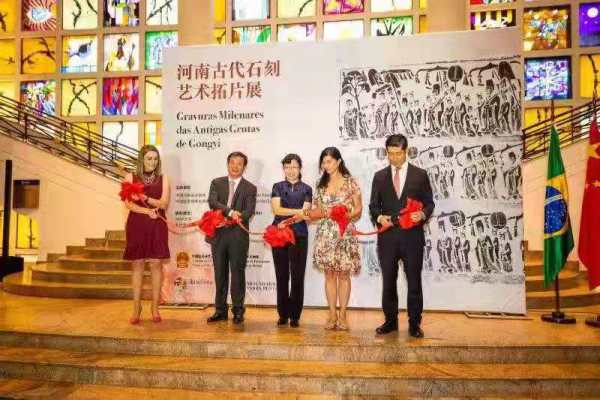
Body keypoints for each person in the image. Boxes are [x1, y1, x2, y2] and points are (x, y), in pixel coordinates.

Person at [369, 134, 434, 338]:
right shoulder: (379, 176)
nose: (394, 158)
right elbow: (373, 206)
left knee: (414, 282)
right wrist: (379, 218)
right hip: (388, 238)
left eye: (398, 153)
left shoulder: (420, 175)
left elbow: (429, 203)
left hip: (412, 238)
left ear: (406, 151)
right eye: (390, 154)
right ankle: (390, 321)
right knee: (388, 281)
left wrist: (422, 214)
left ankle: (414, 324)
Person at [311, 147, 362, 331]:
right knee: (330, 275)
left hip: (344, 233)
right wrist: (311, 213)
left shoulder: (351, 182)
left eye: (329, 161)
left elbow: (358, 208)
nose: (326, 165)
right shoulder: (320, 184)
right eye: (323, 162)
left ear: (339, 161)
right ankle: (332, 314)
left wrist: (347, 215)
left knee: (344, 275)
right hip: (325, 234)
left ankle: (343, 315)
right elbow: (316, 210)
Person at [206, 152, 257, 325]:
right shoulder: (216, 182)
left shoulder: (250, 188)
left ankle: (238, 311)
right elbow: (212, 202)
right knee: (220, 273)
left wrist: (237, 216)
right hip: (218, 234)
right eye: (232, 163)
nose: (235, 166)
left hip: (238, 235)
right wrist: (230, 212)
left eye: (239, 163)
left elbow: (249, 211)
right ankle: (220, 310)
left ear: (244, 167)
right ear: (227, 164)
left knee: (237, 274)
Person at [123, 145, 170, 325]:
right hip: (137, 224)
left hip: (158, 224)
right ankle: (136, 308)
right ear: (141, 159)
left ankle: (154, 308)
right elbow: (128, 204)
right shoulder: (130, 177)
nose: (153, 162)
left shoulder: (164, 178)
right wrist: (146, 211)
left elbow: (164, 203)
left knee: (156, 264)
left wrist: (146, 198)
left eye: (155, 159)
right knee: (137, 265)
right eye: (149, 158)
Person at [270, 154, 312, 328]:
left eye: (294, 167)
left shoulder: (307, 189)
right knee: (281, 276)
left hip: (299, 235)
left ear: (300, 168)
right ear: (283, 169)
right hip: (279, 235)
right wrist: (298, 212)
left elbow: (305, 213)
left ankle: (295, 315)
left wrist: (294, 215)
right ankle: (283, 314)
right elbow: (276, 209)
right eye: (287, 167)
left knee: (297, 276)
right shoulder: (277, 186)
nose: (291, 170)